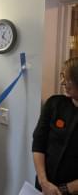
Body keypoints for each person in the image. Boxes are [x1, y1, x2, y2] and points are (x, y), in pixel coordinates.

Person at [32, 57, 78, 195]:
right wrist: (43, 182)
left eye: (67, 79)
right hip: (44, 187)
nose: (62, 82)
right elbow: (38, 144)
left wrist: (64, 189)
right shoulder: (54, 104)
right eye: (62, 76)